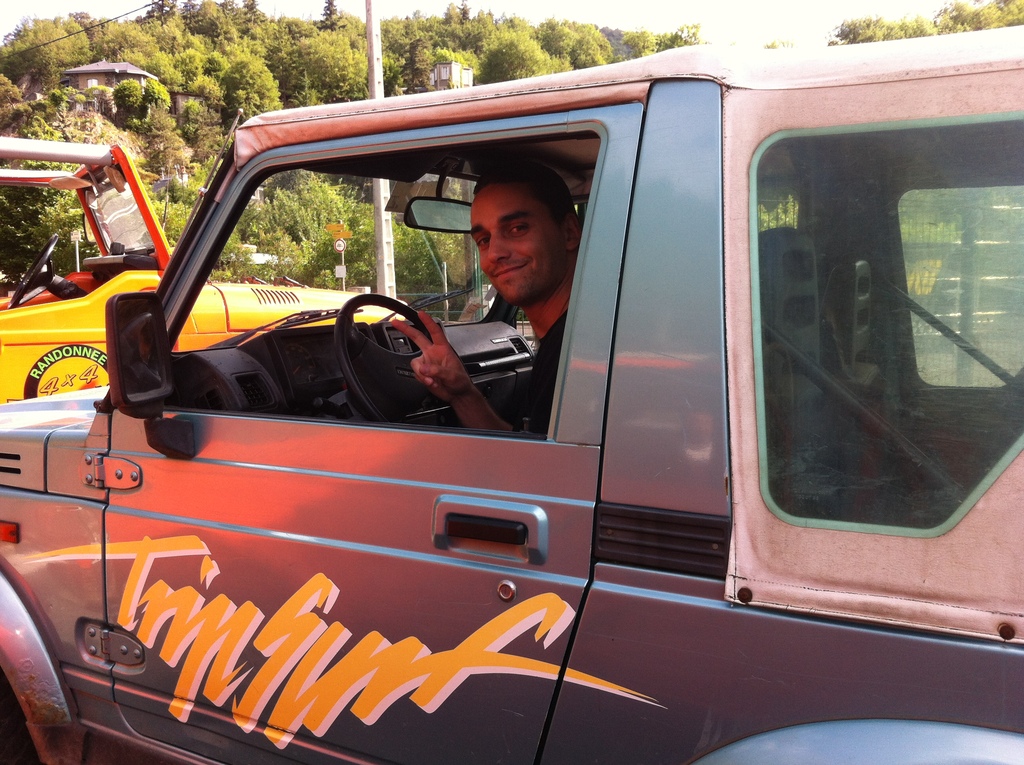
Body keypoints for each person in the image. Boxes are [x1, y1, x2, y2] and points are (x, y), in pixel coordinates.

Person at [391, 162, 582, 433]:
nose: (494, 254)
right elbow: (530, 454)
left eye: (517, 228)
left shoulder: (580, 354)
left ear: (569, 233)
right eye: (484, 240)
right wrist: (462, 394)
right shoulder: (566, 340)